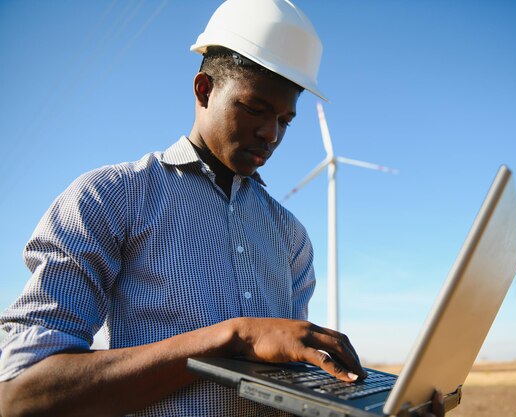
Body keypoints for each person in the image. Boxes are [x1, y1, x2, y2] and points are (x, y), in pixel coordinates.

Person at [0, 1, 444, 416]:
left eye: (286, 121)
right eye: (255, 107)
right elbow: (21, 392)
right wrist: (232, 337)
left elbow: (286, 389)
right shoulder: (111, 197)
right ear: (204, 89)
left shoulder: (290, 236)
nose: (271, 134)